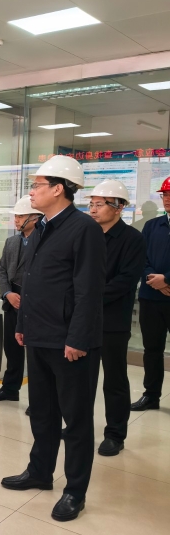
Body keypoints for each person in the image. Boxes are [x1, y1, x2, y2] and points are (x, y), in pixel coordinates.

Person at [1, 155, 105, 523]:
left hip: (70, 343)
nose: (31, 191)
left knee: (75, 420)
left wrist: (77, 338)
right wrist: (22, 324)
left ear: (59, 189)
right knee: (42, 412)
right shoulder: (42, 227)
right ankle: (40, 471)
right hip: (39, 335)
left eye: (38, 185)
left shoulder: (83, 229)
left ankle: (75, 491)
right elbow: (31, 283)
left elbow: (89, 290)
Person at [88, 180, 145, 456]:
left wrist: (88, 298)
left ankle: (115, 434)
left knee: (114, 379)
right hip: (83, 318)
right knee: (81, 378)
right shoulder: (87, 234)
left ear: (119, 207)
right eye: (91, 204)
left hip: (112, 320)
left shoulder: (132, 239)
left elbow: (126, 281)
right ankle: (78, 426)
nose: (93, 209)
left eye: (99, 204)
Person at [0, 196, 42, 404]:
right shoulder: (12, 241)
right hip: (12, 300)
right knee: (11, 348)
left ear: (35, 218)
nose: (16, 220)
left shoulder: (45, 241)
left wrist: (26, 296)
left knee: (37, 354)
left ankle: (39, 400)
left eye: (20, 216)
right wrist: (7, 293)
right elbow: (2, 270)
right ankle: (10, 389)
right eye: (15, 216)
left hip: (35, 302)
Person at [131, 176, 170, 412]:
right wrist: (154, 281)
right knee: (152, 350)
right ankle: (151, 396)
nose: (167, 199)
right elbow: (140, 258)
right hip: (151, 298)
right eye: (165, 195)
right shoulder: (152, 226)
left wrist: (167, 280)